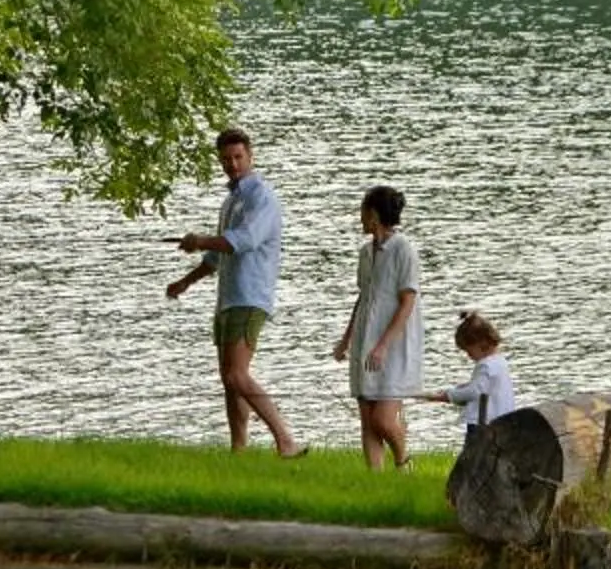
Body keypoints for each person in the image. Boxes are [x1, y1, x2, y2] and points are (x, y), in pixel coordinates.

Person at [167, 127, 306, 457]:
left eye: (238, 157)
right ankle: (238, 450)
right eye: (226, 159)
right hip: (228, 299)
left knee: (236, 374)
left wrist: (199, 239)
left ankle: (285, 440)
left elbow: (242, 241)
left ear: (250, 156)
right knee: (229, 381)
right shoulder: (232, 200)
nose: (232, 164)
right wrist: (186, 281)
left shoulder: (261, 197)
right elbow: (217, 256)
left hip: (251, 296)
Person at [332, 185, 422, 469]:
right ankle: (374, 479)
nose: (360, 218)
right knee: (367, 419)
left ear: (373, 214)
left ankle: (403, 460)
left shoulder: (403, 249)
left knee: (382, 419)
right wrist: (346, 339)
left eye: (363, 211)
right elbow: (364, 296)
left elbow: (408, 301)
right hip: (365, 338)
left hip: (392, 344)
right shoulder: (366, 253)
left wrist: (383, 345)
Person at [438, 310, 520, 442]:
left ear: (481, 343)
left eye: (468, 350)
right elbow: (484, 386)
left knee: (473, 458)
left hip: (484, 424)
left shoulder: (485, 366)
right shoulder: (499, 361)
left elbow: (473, 392)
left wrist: (448, 395)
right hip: (503, 420)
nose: (468, 356)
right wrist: (462, 387)